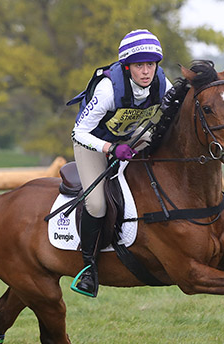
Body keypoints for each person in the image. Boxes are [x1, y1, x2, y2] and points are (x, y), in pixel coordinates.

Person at [69, 29, 173, 297]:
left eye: (151, 64)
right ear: (127, 66)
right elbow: (78, 133)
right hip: (94, 143)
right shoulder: (107, 89)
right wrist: (111, 148)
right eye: (140, 65)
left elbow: (173, 116)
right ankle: (88, 269)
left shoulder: (163, 84)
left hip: (132, 138)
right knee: (97, 203)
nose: (146, 71)